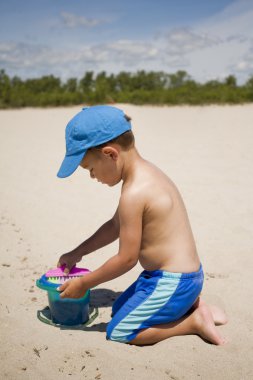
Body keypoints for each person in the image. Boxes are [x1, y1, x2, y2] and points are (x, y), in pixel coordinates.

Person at [56, 105, 227, 346]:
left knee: (120, 330)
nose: (92, 177)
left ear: (110, 154)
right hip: (168, 277)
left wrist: (85, 283)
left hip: (173, 280)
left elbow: (127, 259)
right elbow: (115, 226)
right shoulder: (145, 174)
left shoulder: (134, 193)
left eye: (90, 169)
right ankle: (189, 304)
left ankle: (194, 321)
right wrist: (78, 252)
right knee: (118, 309)